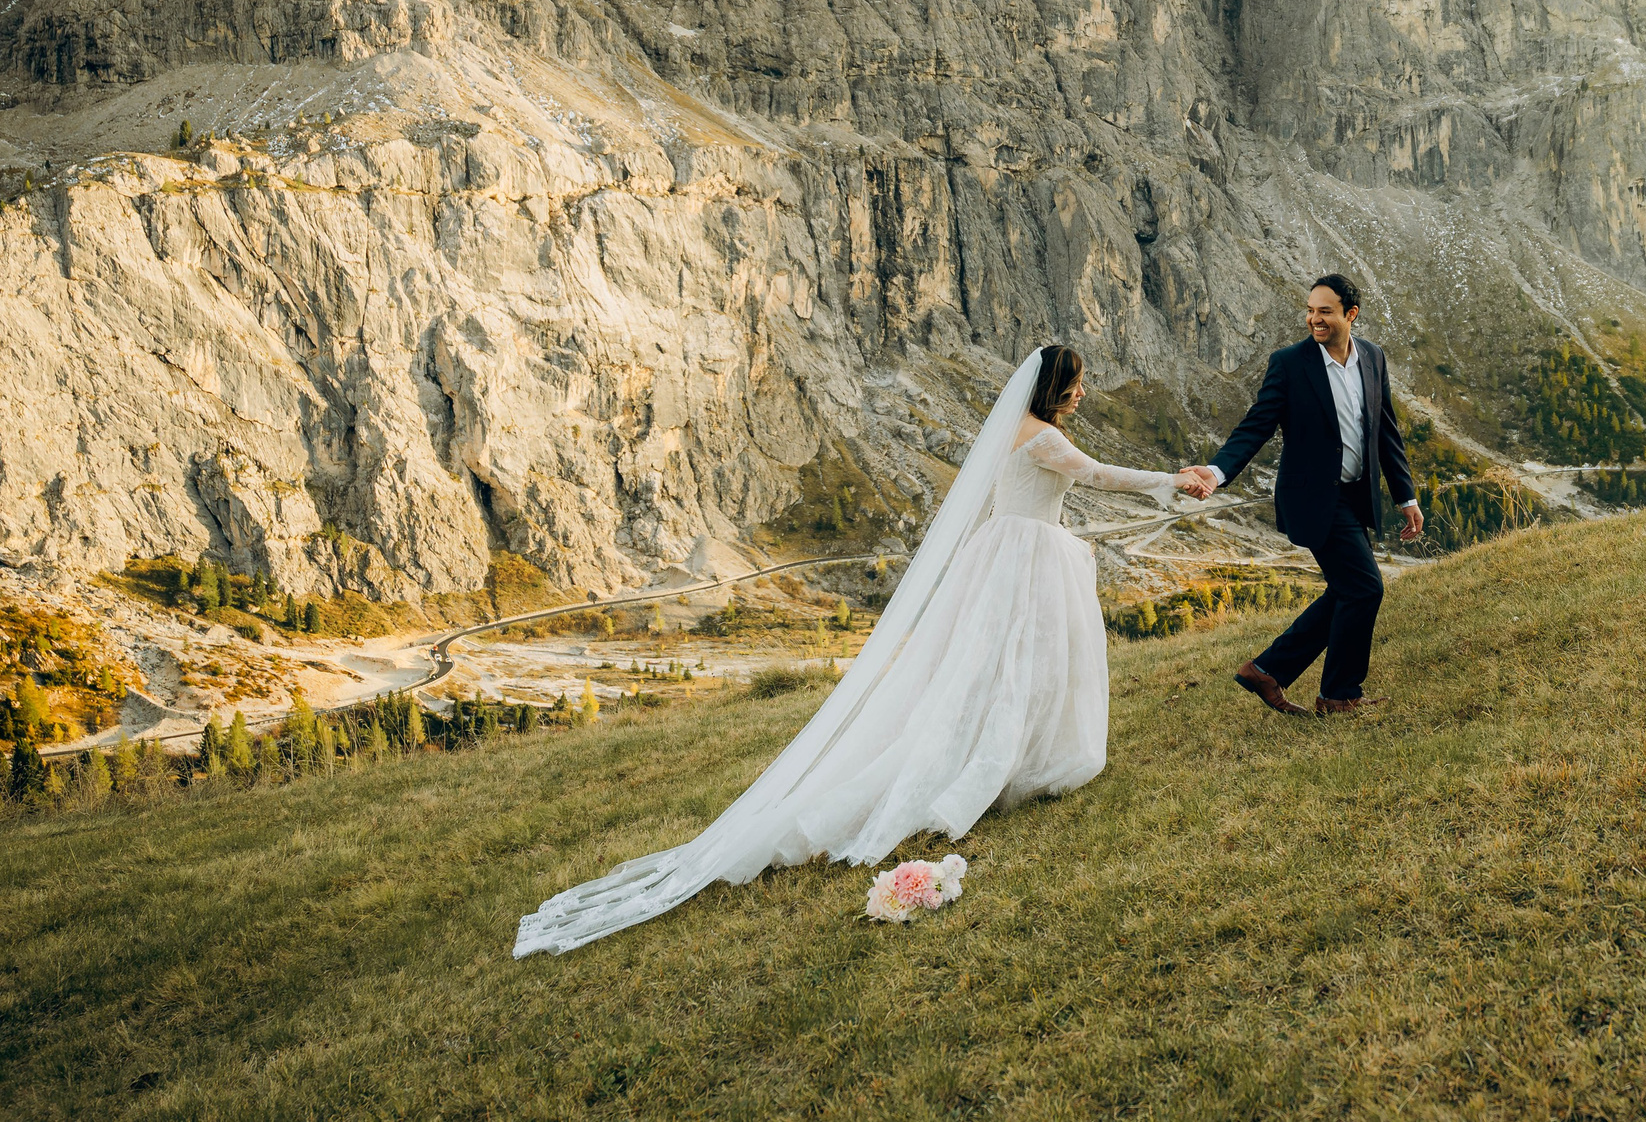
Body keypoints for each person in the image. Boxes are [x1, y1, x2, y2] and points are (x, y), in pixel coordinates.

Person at [514, 345, 1210, 957]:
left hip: (1004, 555)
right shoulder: (1044, 440)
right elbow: (1098, 476)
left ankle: (1007, 757)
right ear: (1055, 385)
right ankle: (1004, 763)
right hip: (1024, 558)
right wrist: (1168, 480)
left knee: (994, 669)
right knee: (1019, 667)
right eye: (1077, 383)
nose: (1082, 394)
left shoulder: (1017, 432)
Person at [1188, 274, 1421, 717]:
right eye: (1311, 310)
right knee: (1365, 588)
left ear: (1350, 315)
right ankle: (1338, 695)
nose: (1314, 318)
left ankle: (1266, 670)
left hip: (1355, 497)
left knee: (1348, 589)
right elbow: (1255, 426)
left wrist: (1405, 496)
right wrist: (1217, 472)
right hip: (1315, 500)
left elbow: (1385, 430)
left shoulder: (1372, 357)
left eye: (1325, 311)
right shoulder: (1290, 364)